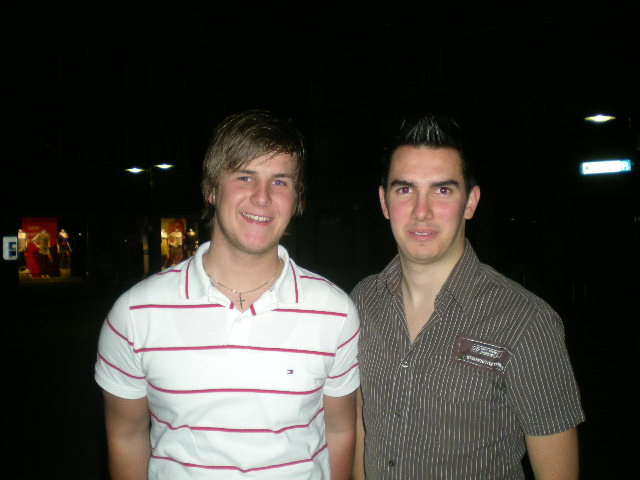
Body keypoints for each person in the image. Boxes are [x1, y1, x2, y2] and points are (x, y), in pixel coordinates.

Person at [95, 110, 360, 479]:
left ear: (297, 198)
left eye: (280, 181)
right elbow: (127, 436)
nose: (262, 197)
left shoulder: (336, 312)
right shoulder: (135, 313)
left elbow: (340, 430)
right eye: (245, 177)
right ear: (211, 189)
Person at [350, 115, 584, 479]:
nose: (422, 211)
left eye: (442, 190)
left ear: (470, 202)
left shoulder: (527, 322)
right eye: (405, 190)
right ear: (384, 201)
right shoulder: (363, 302)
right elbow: (360, 422)